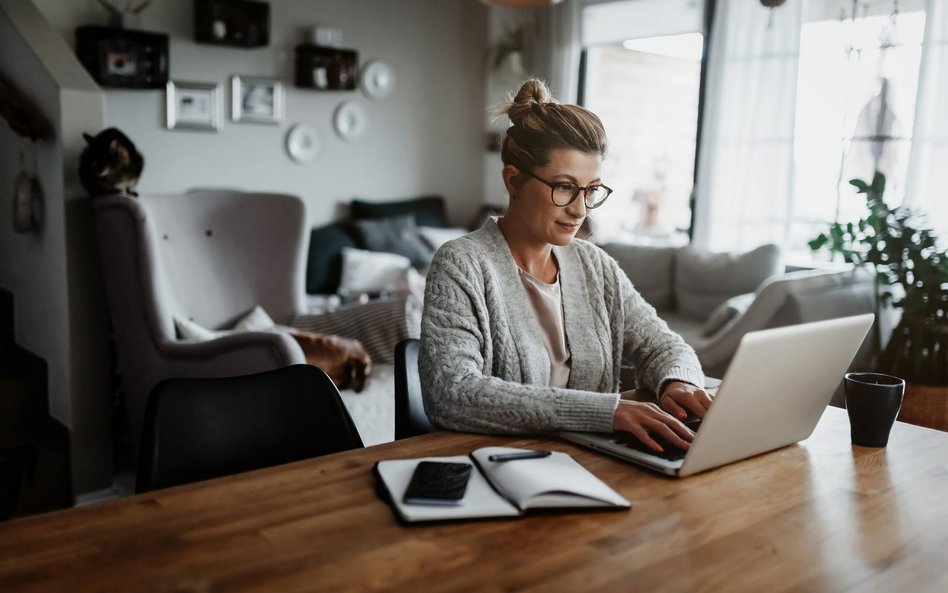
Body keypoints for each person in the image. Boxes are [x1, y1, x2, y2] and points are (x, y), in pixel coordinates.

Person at [418, 79, 713, 453]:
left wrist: (678, 382)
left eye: (591, 190)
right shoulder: (462, 265)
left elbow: (664, 346)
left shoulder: (595, 265)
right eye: (564, 187)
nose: (580, 209)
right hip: (499, 468)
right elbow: (452, 393)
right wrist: (608, 412)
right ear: (514, 180)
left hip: (594, 462)